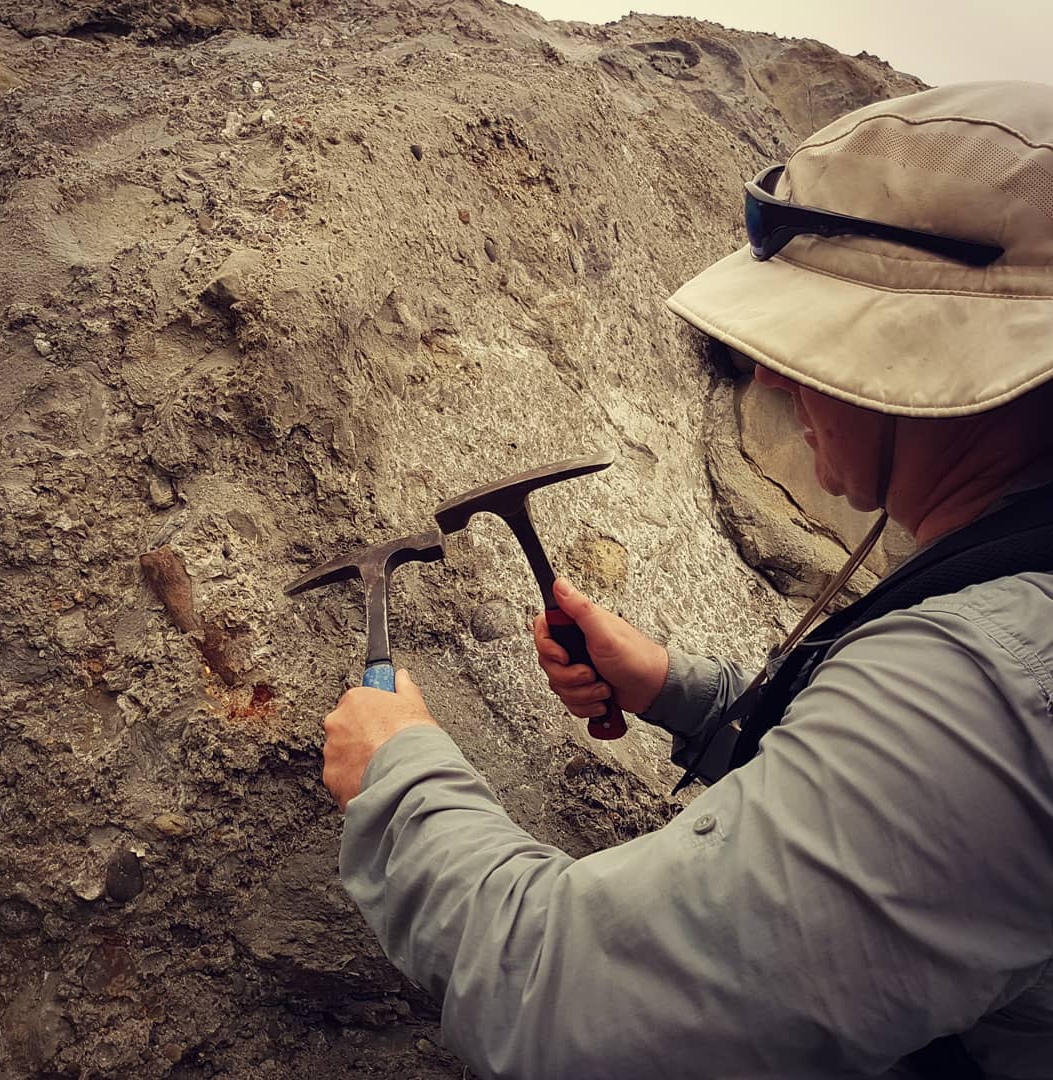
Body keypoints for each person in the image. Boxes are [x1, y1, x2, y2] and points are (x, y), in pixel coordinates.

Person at [322, 82, 1053, 1078]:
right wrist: (683, 691)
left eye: (811, 345)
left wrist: (396, 779)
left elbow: (571, 1006)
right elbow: (908, 817)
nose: (777, 383)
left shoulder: (982, 690)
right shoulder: (1011, 594)